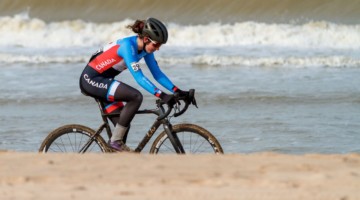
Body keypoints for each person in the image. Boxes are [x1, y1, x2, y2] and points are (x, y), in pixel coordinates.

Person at [79, 17, 189, 152]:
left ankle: (113, 159)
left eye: (160, 45)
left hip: (103, 81)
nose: (158, 49)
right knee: (136, 96)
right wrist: (162, 95)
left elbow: (157, 74)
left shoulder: (145, 49)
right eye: (156, 45)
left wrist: (177, 90)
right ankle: (114, 142)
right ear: (146, 38)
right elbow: (139, 78)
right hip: (91, 80)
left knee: (123, 124)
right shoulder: (127, 47)